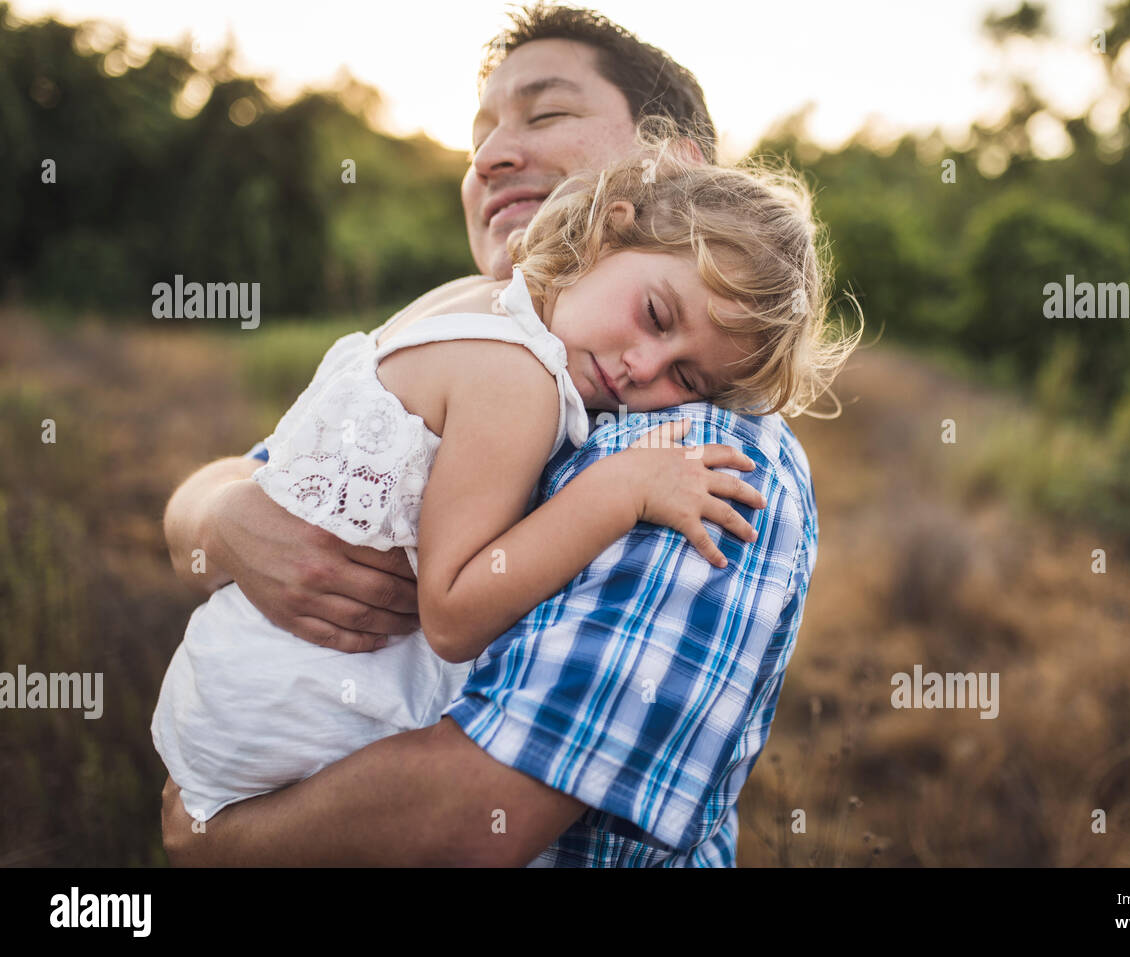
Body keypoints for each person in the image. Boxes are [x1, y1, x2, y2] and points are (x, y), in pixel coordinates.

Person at [161, 4, 853, 866]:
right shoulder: (493, 345)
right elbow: (245, 486)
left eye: (547, 113)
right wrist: (224, 516)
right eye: (478, 133)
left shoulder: (704, 450)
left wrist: (222, 842)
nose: (490, 154)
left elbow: (471, 817)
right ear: (616, 227)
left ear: (662, 173)